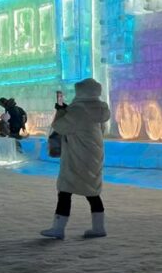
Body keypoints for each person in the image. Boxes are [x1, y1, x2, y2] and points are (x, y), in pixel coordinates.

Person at [40, 78, 111, 240]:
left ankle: (58, 228)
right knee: (93, 192)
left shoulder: (78, 110)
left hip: (77, 156)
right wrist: (67, 110)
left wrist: (60, 111)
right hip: (93, 155)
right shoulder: (99, 109)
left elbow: (60, 127)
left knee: (65, 190)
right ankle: (99, 227)